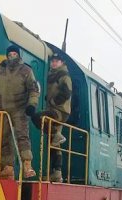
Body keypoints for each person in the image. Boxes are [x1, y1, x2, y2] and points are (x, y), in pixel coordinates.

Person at [0, 44, 40, 179]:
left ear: (18, 55)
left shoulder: (26, 70)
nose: (12, 57)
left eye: (14, 54)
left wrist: (32, 105)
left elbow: (33, 90)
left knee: (22, 137)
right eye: (9, 55)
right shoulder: (0, 70)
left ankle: (27, 165)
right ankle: (8, 168)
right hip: (3, 110)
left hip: (20, 109)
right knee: (3, 139)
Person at [43, 52, 72, 182]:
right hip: (51, 110)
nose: (54, 63)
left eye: (57, 61)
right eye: (53, 61)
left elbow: (66, 93)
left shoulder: (64, 76)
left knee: (54, 140)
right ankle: (56, 172)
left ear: (62, 63)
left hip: (59, 111)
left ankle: (57, 172)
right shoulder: (49, 74)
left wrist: (52, 102)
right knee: (53, 140)